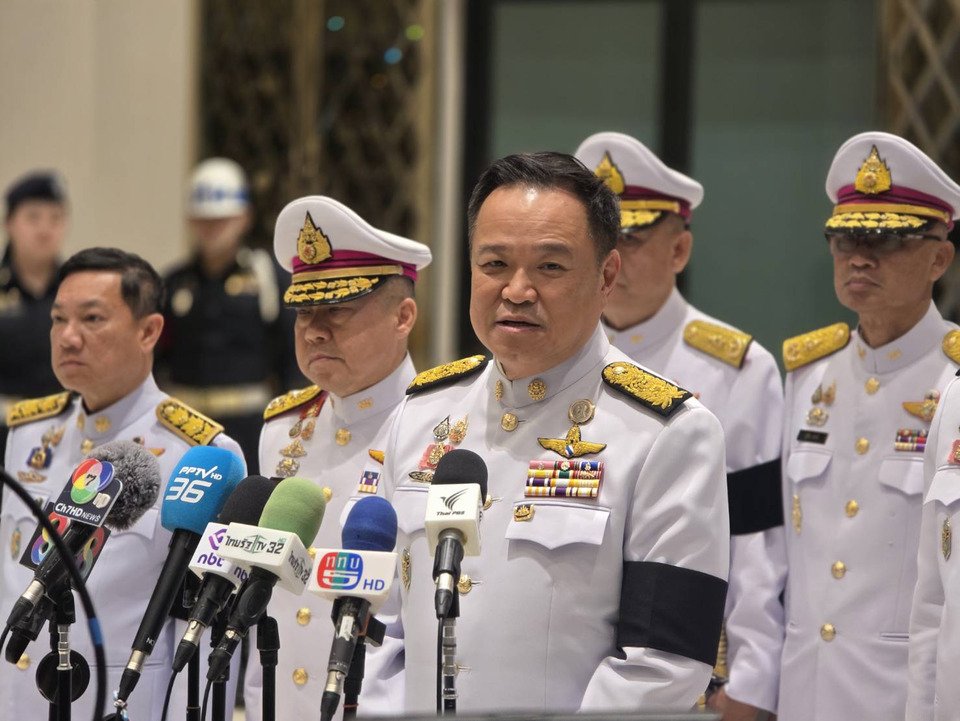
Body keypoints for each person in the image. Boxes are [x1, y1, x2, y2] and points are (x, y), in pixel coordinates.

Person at [379, 152, 729, 713]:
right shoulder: (422, 415)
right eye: (494, 264)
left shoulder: (667, 434)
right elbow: (379, 626)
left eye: (550, 267)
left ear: (606, 277)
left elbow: (664, 663)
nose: (517, 290)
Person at [575, 132, 785, 720]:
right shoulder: (552, 361)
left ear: (680, 250)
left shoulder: (736, 369)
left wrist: (752, 678)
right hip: (574, 666)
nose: (614, 257)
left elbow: (757, 539)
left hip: (696, 670)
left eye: (632, 238)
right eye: (601, 241)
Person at [0, 247, 245, 721]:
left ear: (149, 331)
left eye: (92, 319)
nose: (68, 337)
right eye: (58, 319)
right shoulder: (31, 432)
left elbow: (208, 628)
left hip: (118, 701)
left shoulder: (202, 454)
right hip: (17, 699)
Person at [778, 131, 960, 721]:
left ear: (939, 258)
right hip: (803, 687)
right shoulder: (807, 375)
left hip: (907, 694)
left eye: (886, 240)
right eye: (845, 239)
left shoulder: (953, 382)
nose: (859, 257)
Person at [242, 196, 431, 721]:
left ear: (403, 316)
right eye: (304, 311)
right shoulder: (281, 430)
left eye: (338, 309)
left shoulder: (443, 427)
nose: (314, 329)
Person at [158, 158, 302, 474]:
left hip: (250, 428)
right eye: (204, 219)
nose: (212, 228)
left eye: (222, 219)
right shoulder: (173, 283)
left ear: (245, 217)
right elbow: (157, 359)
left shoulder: (268, 278)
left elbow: (291, 356)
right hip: (185, 429)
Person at [0, 171, 68, 460]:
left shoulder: (76, 290)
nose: (45, 230)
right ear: (9, 223)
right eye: (33, 217)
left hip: (65, 437)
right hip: (4, 433)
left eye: (55, 219)